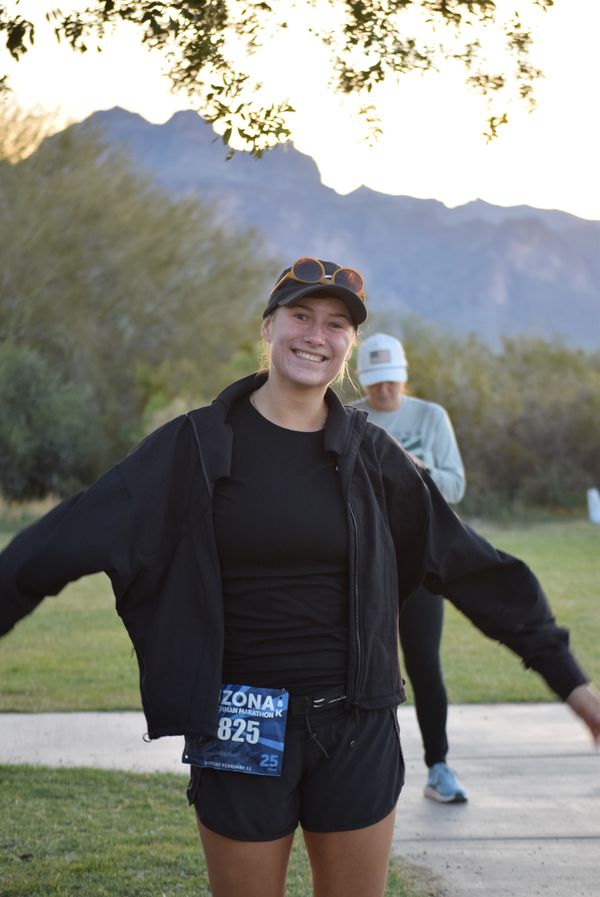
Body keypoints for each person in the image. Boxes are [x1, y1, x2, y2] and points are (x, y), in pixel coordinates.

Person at [1, 256, 599, 897]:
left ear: (349, 347)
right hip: (240, 718)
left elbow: (471, 565)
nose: (317, 334)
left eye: (336, 324)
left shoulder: (373, 457)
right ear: (268, 327)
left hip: (356, 724)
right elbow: (58, 541)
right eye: (301, 316)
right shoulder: (192, 449)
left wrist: (574, 686)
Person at [354, 332, 468, 803]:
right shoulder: (348, 418)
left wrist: (413, 467)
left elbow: (456, 486)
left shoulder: (430, 417)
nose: (384, 391)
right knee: (365, 667)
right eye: (376, 382)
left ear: (404, 374)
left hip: (421, 561)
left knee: (424, 664)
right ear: (363, 380)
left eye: (391, 381)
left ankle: (438, 768)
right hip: (365, 563)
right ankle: (362, 772)